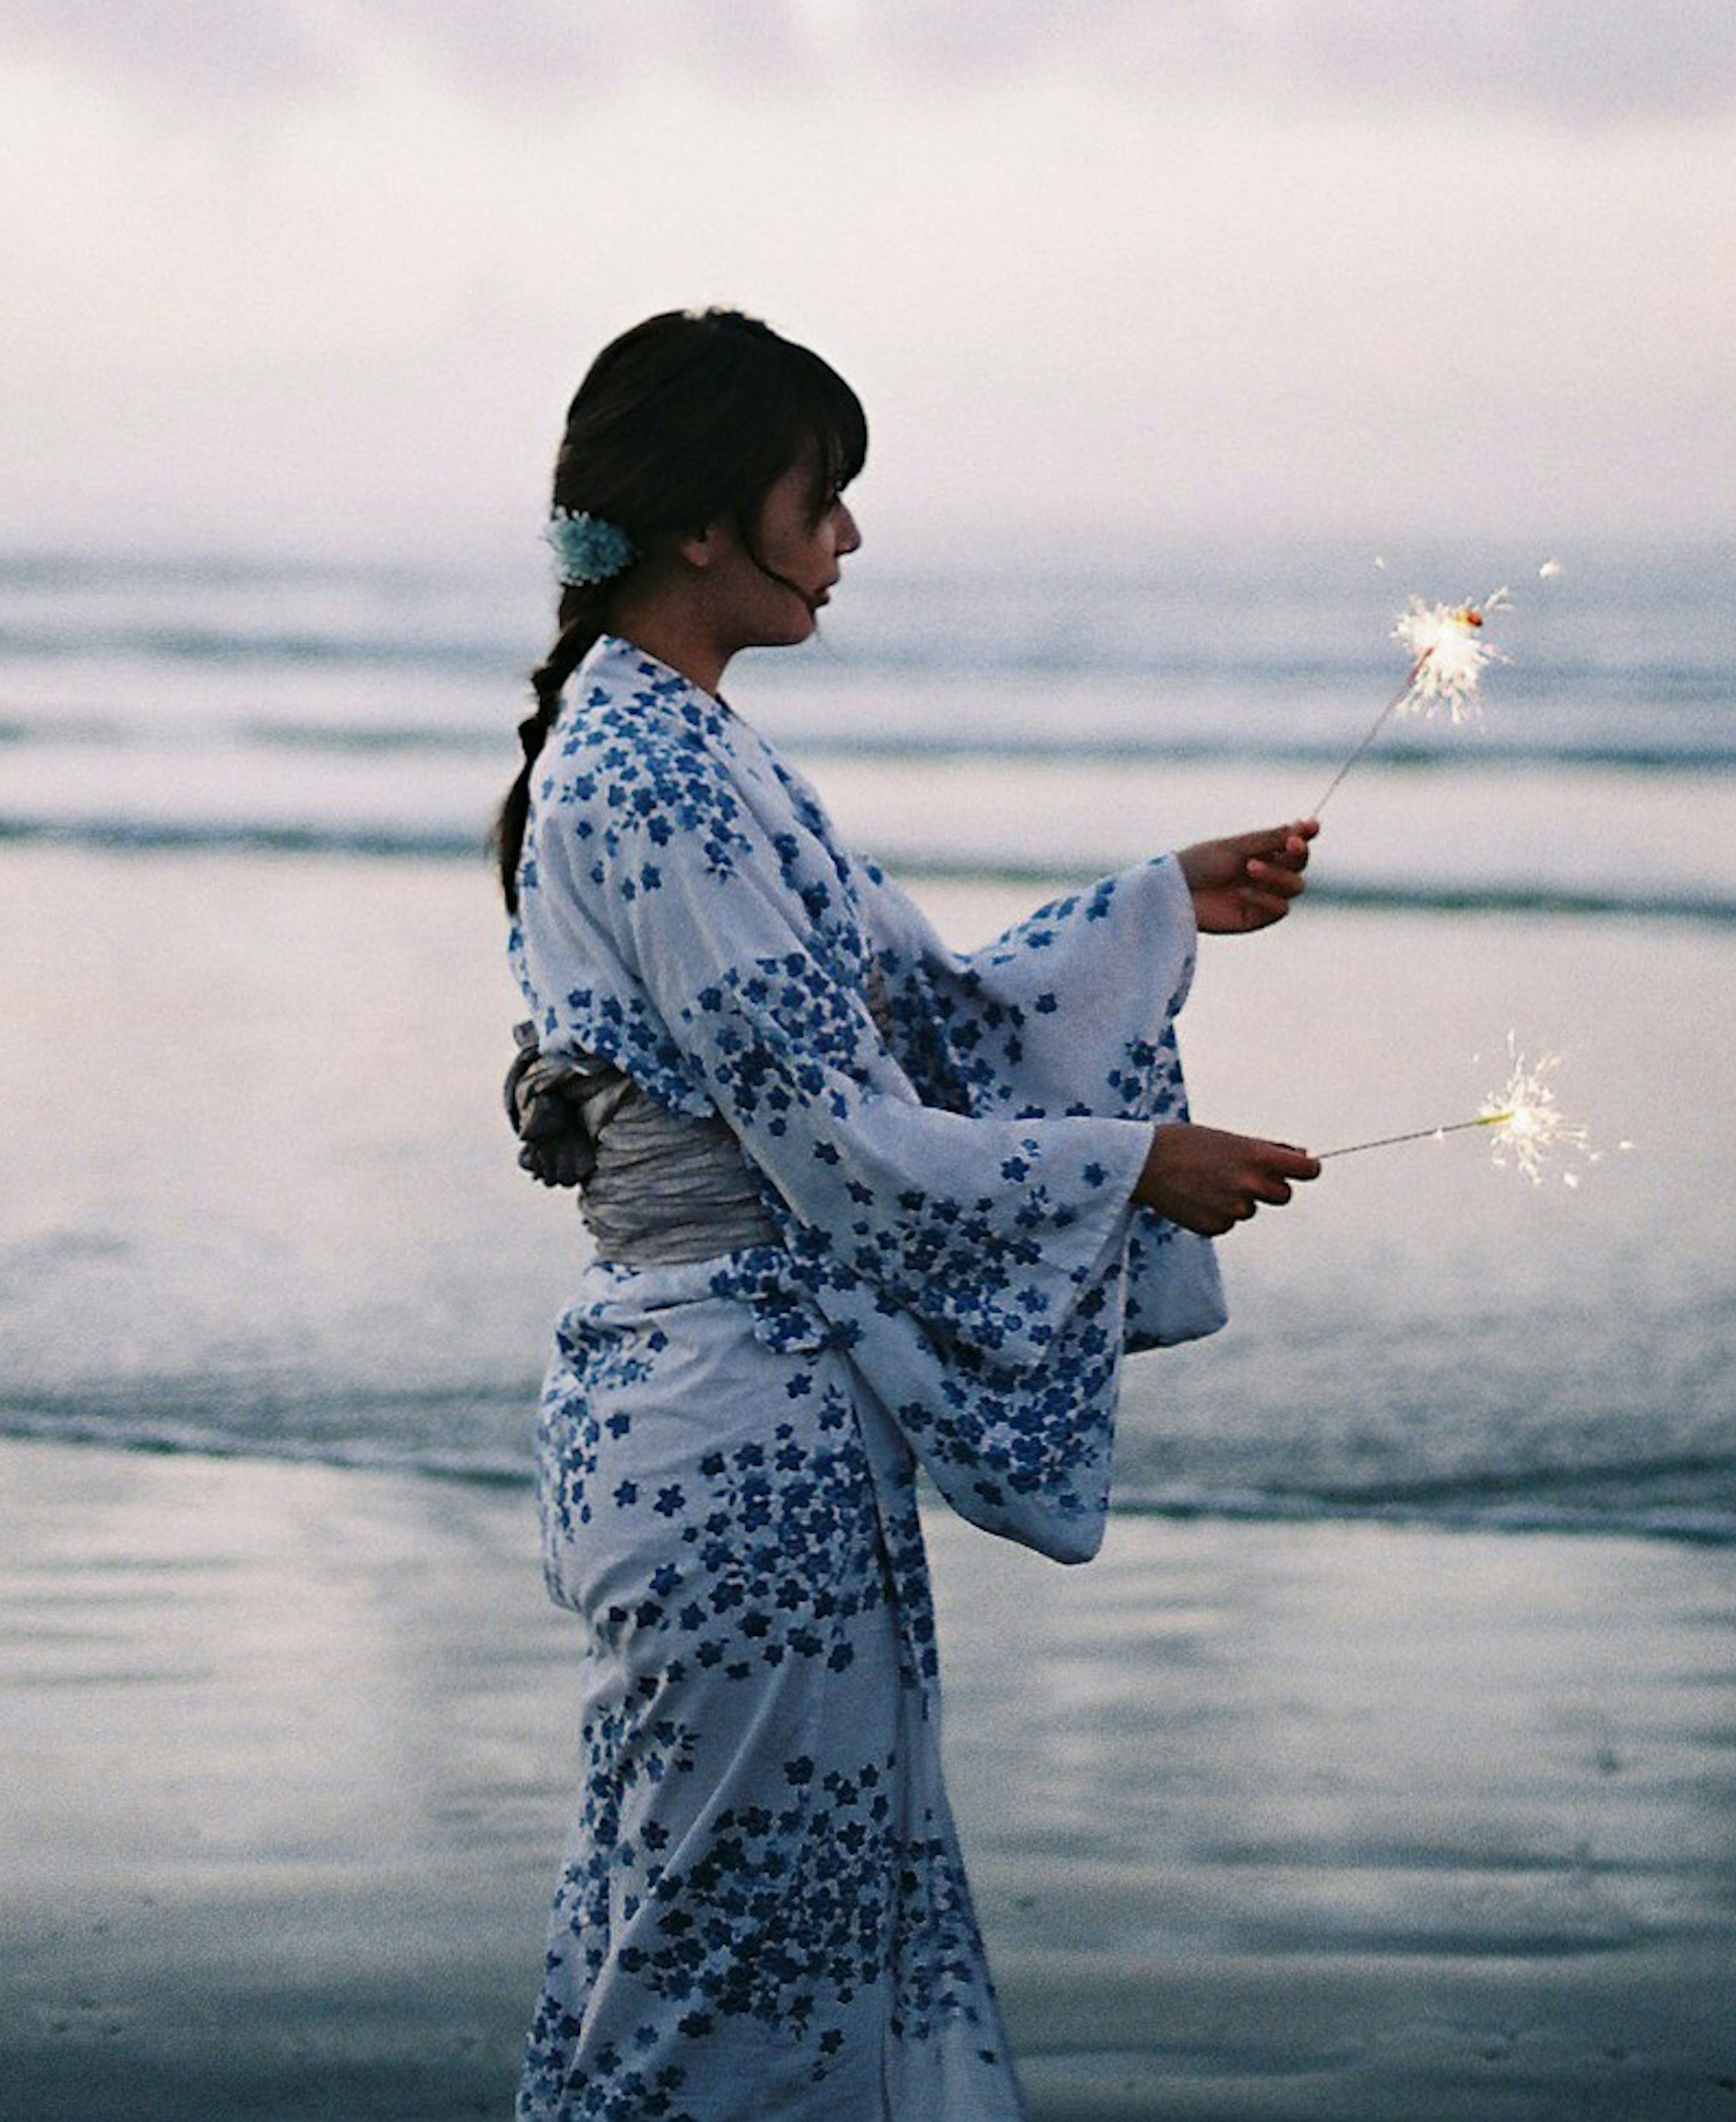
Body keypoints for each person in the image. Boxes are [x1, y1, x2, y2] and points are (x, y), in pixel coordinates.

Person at [500, 308, 1321, 2121]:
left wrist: (1154, 903)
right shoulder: (651, 776)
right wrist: (1133, 1166)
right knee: (731, 1972)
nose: (850, 540)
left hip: (732, 1421)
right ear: (707, 522)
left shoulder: (687, 748)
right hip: (733, 1444)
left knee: (733, 1935)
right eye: (825, 496)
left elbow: (921, 1003)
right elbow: (848, 1144)